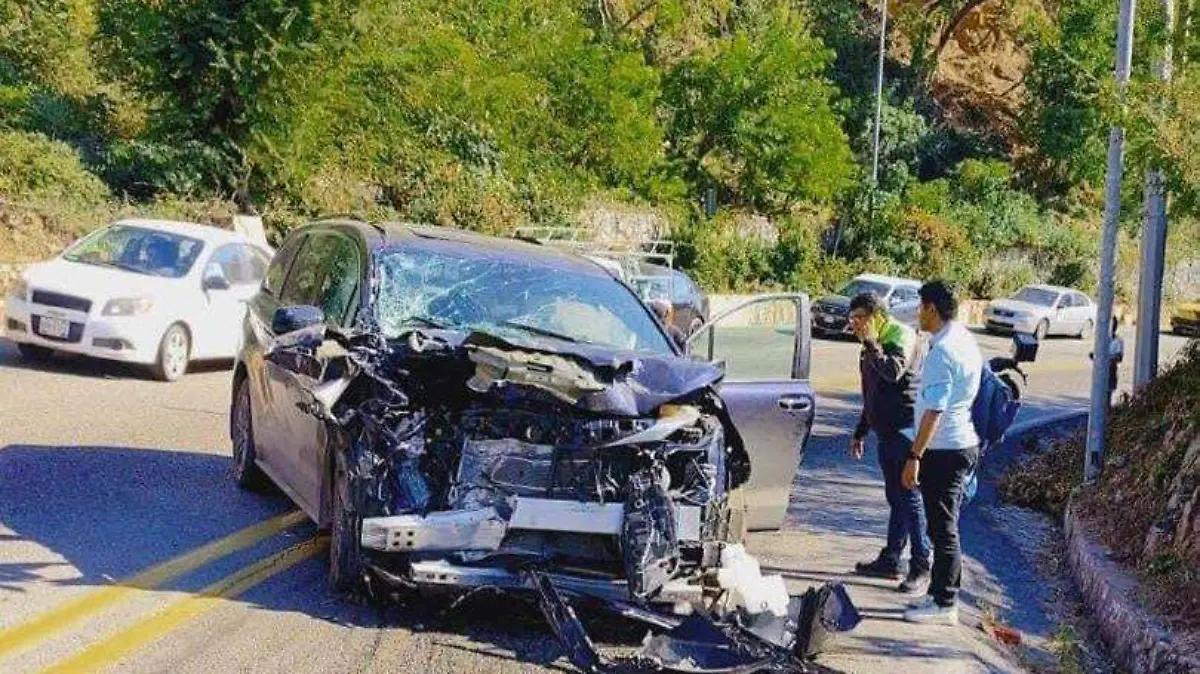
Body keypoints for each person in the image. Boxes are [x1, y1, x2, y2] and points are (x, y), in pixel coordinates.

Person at [902, 280, 983, 625]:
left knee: (943, 529)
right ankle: (937, 593)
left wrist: (914, 456)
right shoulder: (962, 338)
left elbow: (935, 409)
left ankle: (945, 603)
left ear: (931, 309)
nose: (917, 313)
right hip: (957, 444)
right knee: (941, 527)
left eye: (920, 307)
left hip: (945, 449)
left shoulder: (943, 351)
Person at [847, 292, 932, 594]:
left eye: (860, 318)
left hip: (906, 430)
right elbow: (873, 392)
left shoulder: (900, 336)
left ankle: (921, 565)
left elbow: (893, 373)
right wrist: (861, 430)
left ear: (878, 317)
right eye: (852, 318)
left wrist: (872, 343)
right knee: (896, 498)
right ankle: (891, 559)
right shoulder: (872, 342)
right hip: (886, 431)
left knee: (910, 498)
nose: (855, 324)